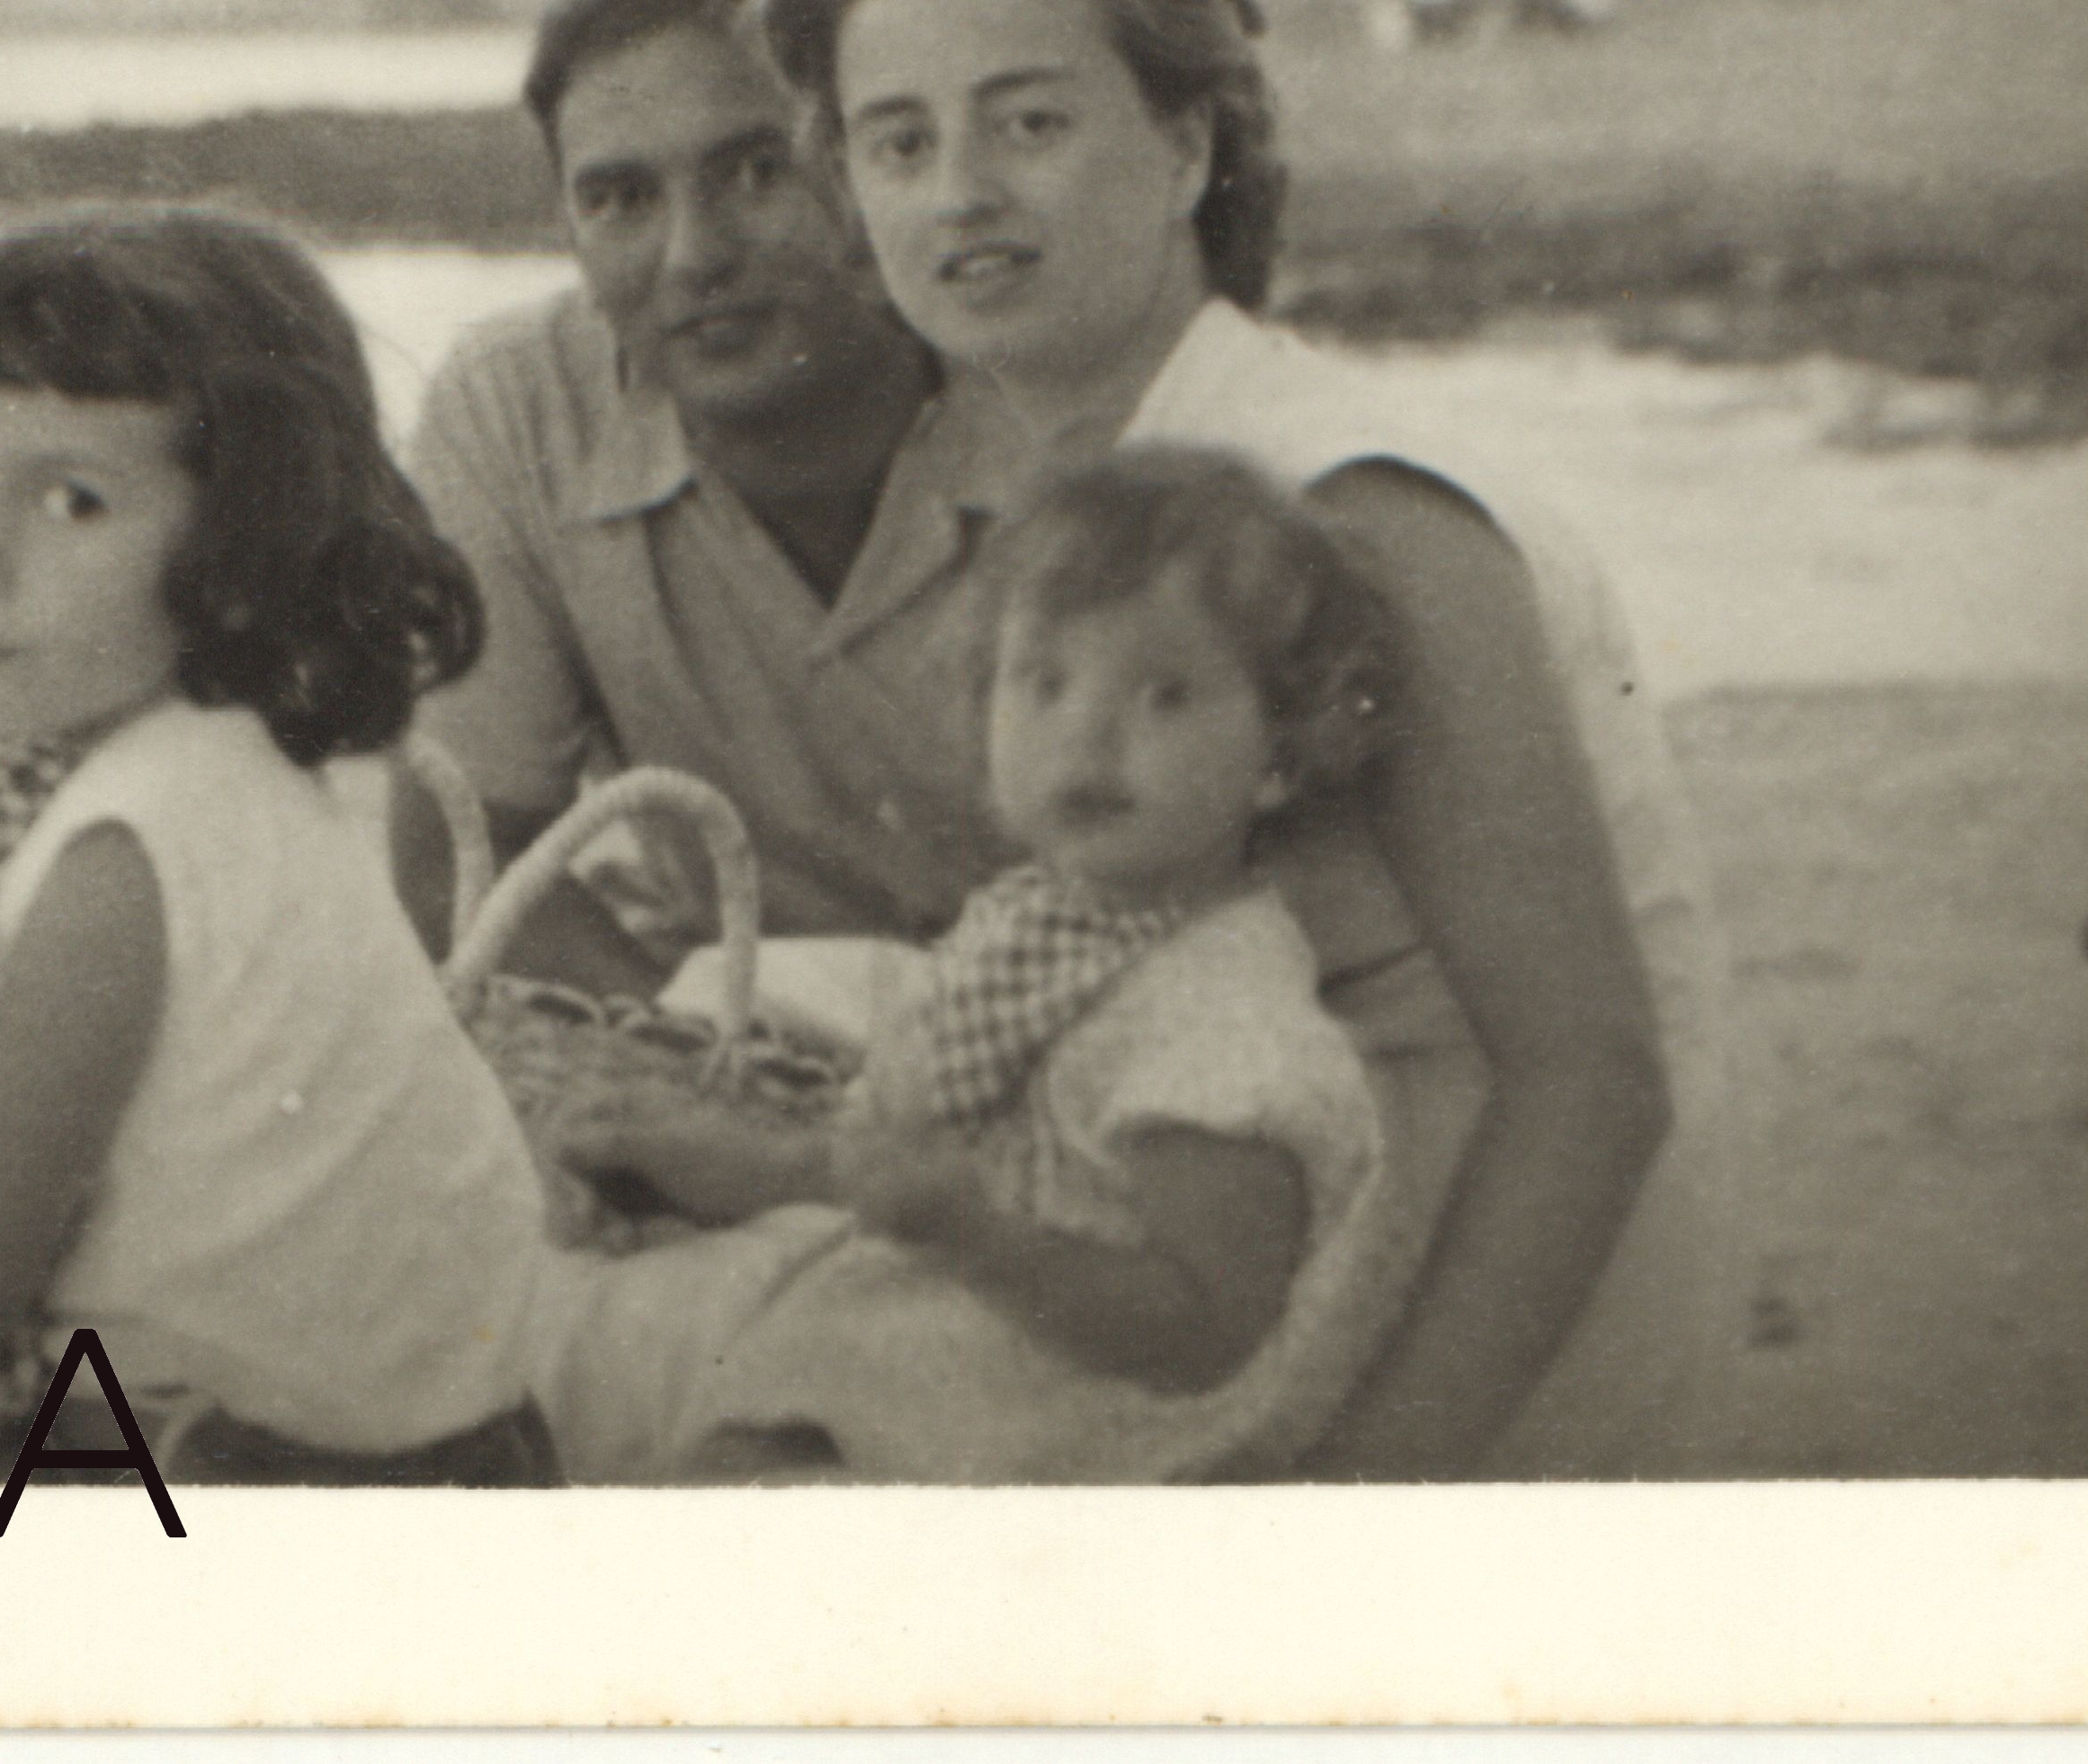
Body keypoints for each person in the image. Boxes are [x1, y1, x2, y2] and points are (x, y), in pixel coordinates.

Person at [757, 0, 1737, 1480]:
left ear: (1187, 146)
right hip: (1260, 1257)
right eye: (899, 141)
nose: (960, 192)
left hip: (1466, 1351)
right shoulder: (1130, 489)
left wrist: (1340, 1519)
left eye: (1029, 121)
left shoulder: (1350, 500)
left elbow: (1593, 1082)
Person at [0, 211, 560, 1484]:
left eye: (71, 501)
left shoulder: (122, 849)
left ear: (242, 543)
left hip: (266, 1476)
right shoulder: (236, 764)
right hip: (454, 1434)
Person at [537, 445, 1423, 1483]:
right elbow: (919, 1150)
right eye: (1043, 681)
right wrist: (739, 1168)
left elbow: (1204, 1333)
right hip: (937, 1349)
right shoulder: (1045, 922)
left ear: (1280, 756)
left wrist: (971, 1234)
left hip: (1074, 1438)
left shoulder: (1225, 1021)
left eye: (1165, 695)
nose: (1088, 735)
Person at [395, 0, 1018, 985]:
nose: (693, 256)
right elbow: (460, 869)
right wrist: (704, 1059)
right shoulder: (520, 407)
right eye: (620, 199)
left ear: (877, 170)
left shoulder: (1049, 370)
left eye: (759, 172)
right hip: (733, 1027)